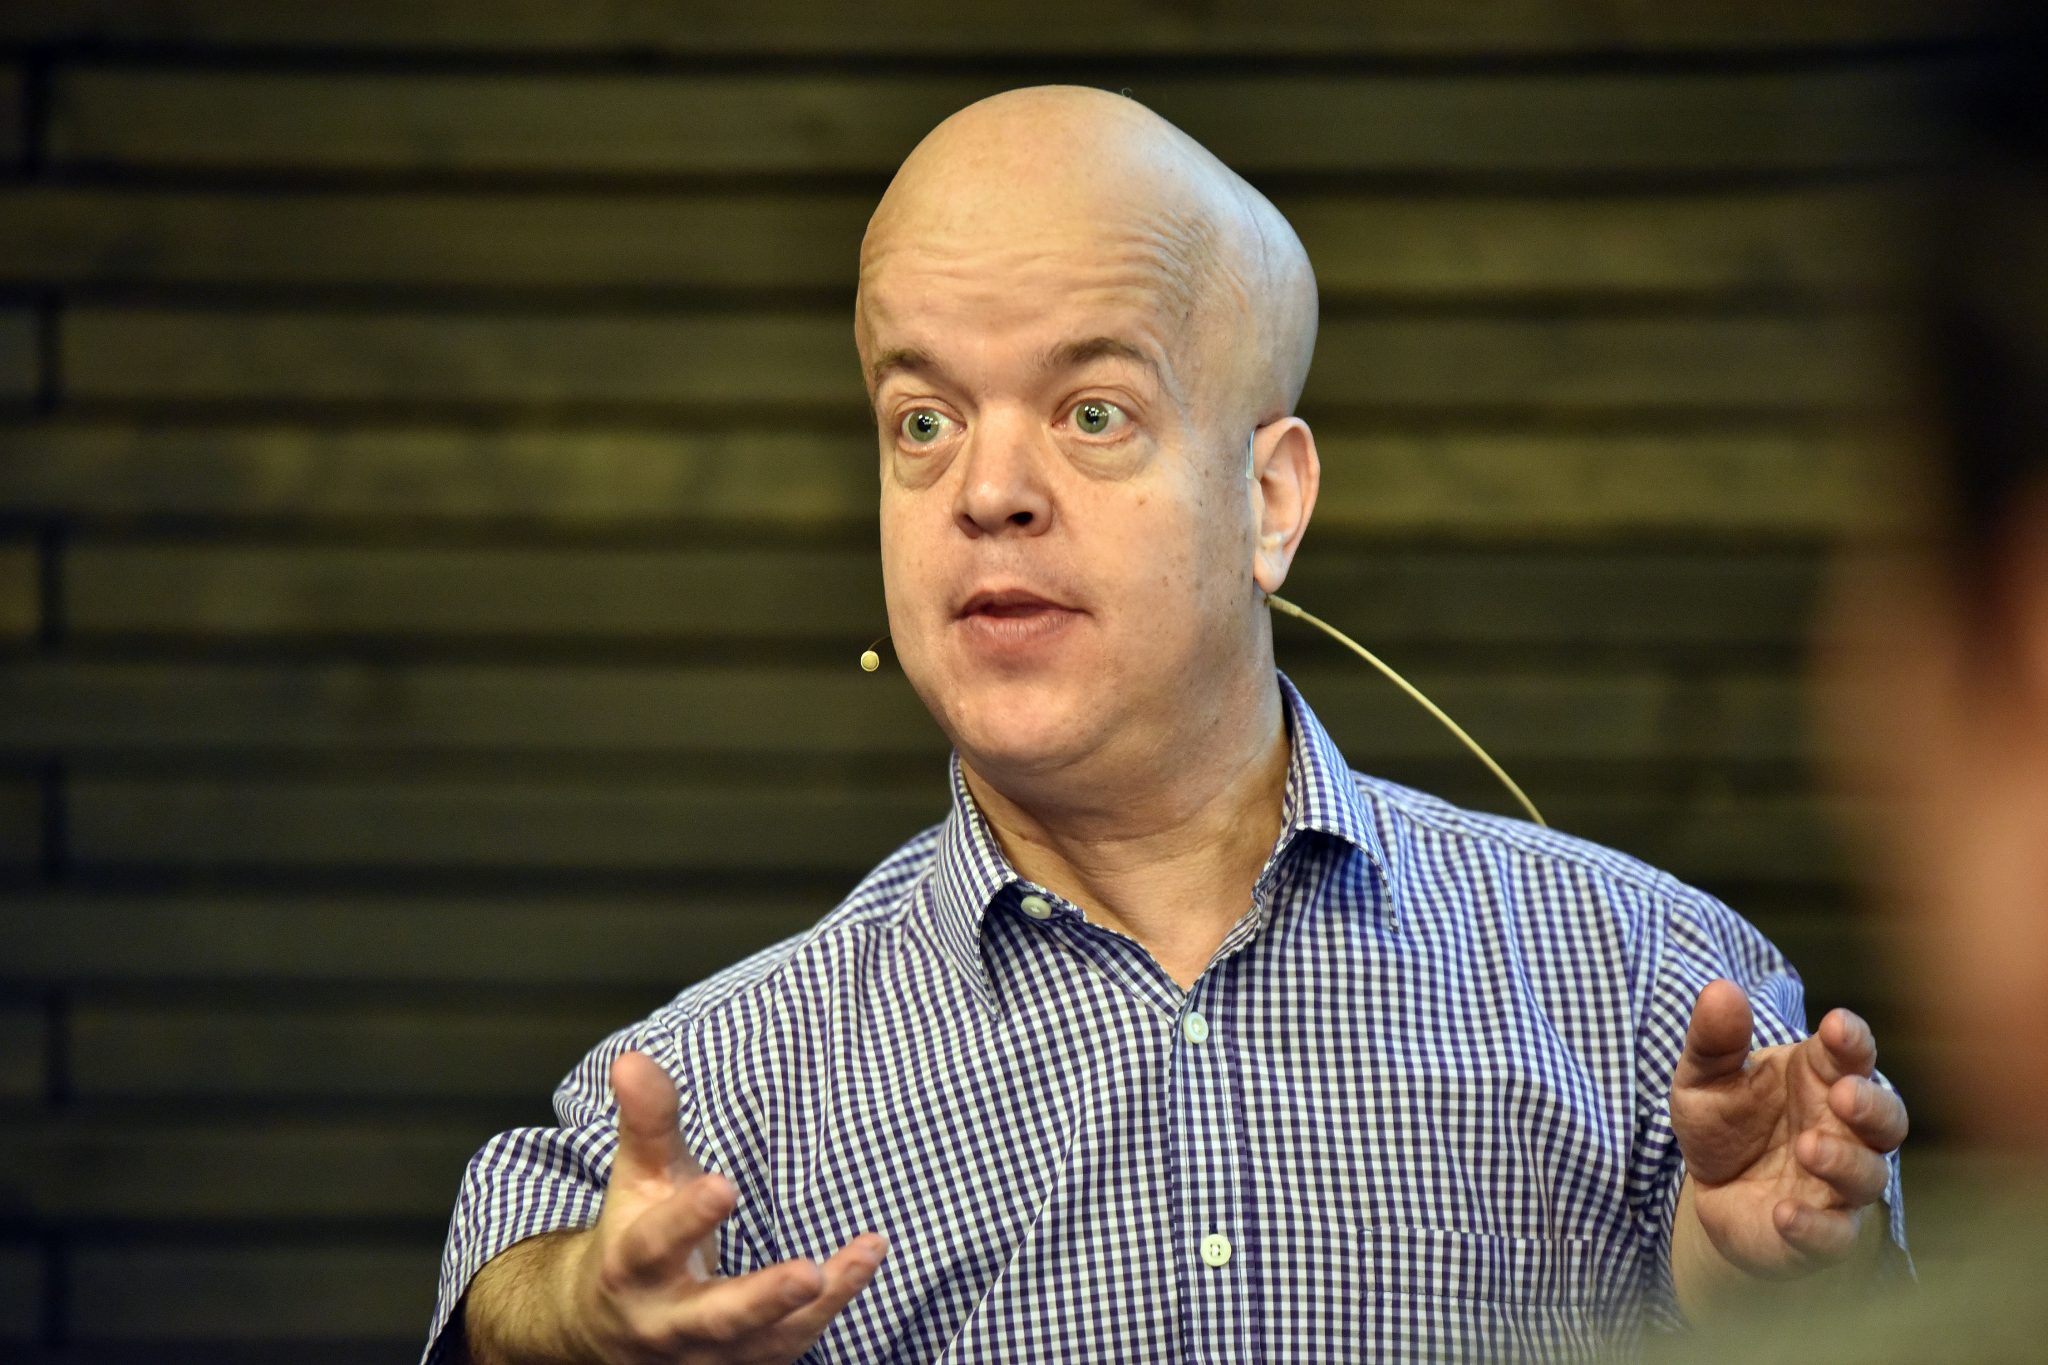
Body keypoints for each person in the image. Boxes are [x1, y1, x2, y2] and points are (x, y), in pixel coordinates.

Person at [423, 87, 1909, 1365]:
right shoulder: (724, 1099)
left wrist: (1757, 1295)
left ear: (1269, 501)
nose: (986, 492)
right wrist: (580, 1316)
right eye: (923, 420)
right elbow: (512, 1268)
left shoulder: (1651, 994)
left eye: (1093, 412)